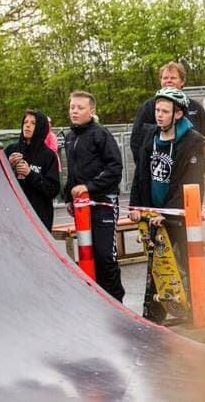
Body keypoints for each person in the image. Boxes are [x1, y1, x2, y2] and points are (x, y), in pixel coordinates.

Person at [128, 88, 205, 322]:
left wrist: (169, 214)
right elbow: (141, 174)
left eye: (165, 111)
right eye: (157, 110)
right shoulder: (150, 136)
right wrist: (136, 206)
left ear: (178, 114)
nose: (159, 115)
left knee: (188, 262)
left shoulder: (192, 141)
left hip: (178, 214)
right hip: (154, 210)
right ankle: (154, 313)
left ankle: (197, 310)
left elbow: (191, 182)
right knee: (158, 264)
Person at [64, 91, 125, 302]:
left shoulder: (101, 134)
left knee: (104, 256)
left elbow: (115, 168)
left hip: (103, 203)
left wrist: (88, 187)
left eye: (80, 108)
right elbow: (72, 172)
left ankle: (117, 301)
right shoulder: (70, 137)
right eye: (72, 107)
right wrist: (68, 198)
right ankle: (97, 301)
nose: (75, 111)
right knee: (86, 255)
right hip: (81, 206)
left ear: (92, 111)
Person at [130, 62, 205, 165]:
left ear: (182, 81)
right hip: (158, 170)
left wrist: (203, 165)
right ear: (160, 81)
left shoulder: (195, 107)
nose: (168, 81)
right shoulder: (148, 107)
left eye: (173, 78)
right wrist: (144, 167)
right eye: (165, 78)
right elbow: (136, 140)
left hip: (189, 170)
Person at [4, 110, 61, 232]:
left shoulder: (48, 156)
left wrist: (30, 174)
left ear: (41, 127)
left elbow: (53, 190)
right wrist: (8, 166)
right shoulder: (11, 150)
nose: (27, 125)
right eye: (25, 122)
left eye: (33, 123)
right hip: (14, 215)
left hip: (39, 216)